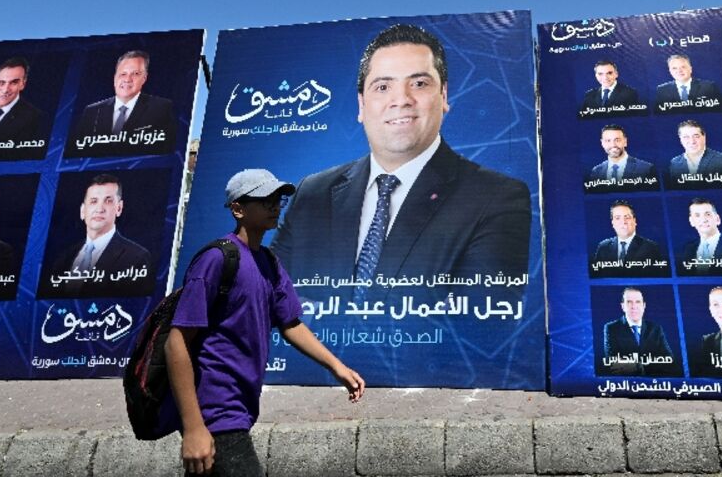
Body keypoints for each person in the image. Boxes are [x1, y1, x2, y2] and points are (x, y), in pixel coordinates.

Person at [270, 24, 531, 285]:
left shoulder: (497, 198)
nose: (401, 99)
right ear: (361, 105)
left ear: (443, 96)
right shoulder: (312, 194)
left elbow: (483, 318)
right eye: (383, 87)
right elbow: (265, 295)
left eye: (418, 83)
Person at [165, 168, 364, 476]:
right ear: (238, 208)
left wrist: (336, 367)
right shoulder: (217, 259)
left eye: (277, 199)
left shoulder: (269, 262)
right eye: (264, 199)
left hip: (242, 406)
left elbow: (291, 323)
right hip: (216, 406)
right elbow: (176, 341)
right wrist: (193, 427)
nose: (275, 205)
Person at [38, 174, 155, 298]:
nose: (100, 209)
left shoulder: (137, 258)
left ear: (119, 208)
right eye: (93, 201)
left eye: (108, 201)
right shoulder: (63, 259)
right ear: (83, 211)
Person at [68, 50, 176, 155]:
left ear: (144, 78)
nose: (127, 79)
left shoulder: (161, 108)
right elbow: (78, 150)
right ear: (115, 77)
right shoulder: (92, 111)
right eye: (123, 74)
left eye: (135, 73)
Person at [599, 287, 679, 377]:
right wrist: (653, 367)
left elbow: (669, 361)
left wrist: (637, 367)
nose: (634, 306)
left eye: (638, 302)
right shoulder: (611, 328)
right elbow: (613, 364)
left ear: (644, 306)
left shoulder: (655, 329)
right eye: (629, 302)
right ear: (622, 306)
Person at [590, 201, 668, 277]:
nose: (623, 222)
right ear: (612, 223)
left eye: (627, 217)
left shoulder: (650, 247)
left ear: (634, 221)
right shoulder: (603, 247)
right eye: (617, 218)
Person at [666, 120, 722, 189]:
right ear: (680, 139)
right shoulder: (674, 163)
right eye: (686, 137)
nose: (692, 141)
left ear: (704, 137)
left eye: (696, 136)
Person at [585, 124, 658, 192]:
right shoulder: (596, 172)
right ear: (602, 143)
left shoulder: (646, 169)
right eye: (608, 141)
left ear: (625, 141)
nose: (613, 145)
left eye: (617, 140)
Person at [654, 54, 722, 112]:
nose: (679, 71)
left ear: (690, 69)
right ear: (670, 71)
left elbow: (721, 109)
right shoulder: (662, 90)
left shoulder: (709, 87)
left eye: (683, 67)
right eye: (674, 68)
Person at [579, 60, 644, 115]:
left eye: (609, 73)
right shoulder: (589, 95)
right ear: (596, 76)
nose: (605, 78)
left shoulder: (630, 93)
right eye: (600, 74)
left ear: (616, 74)